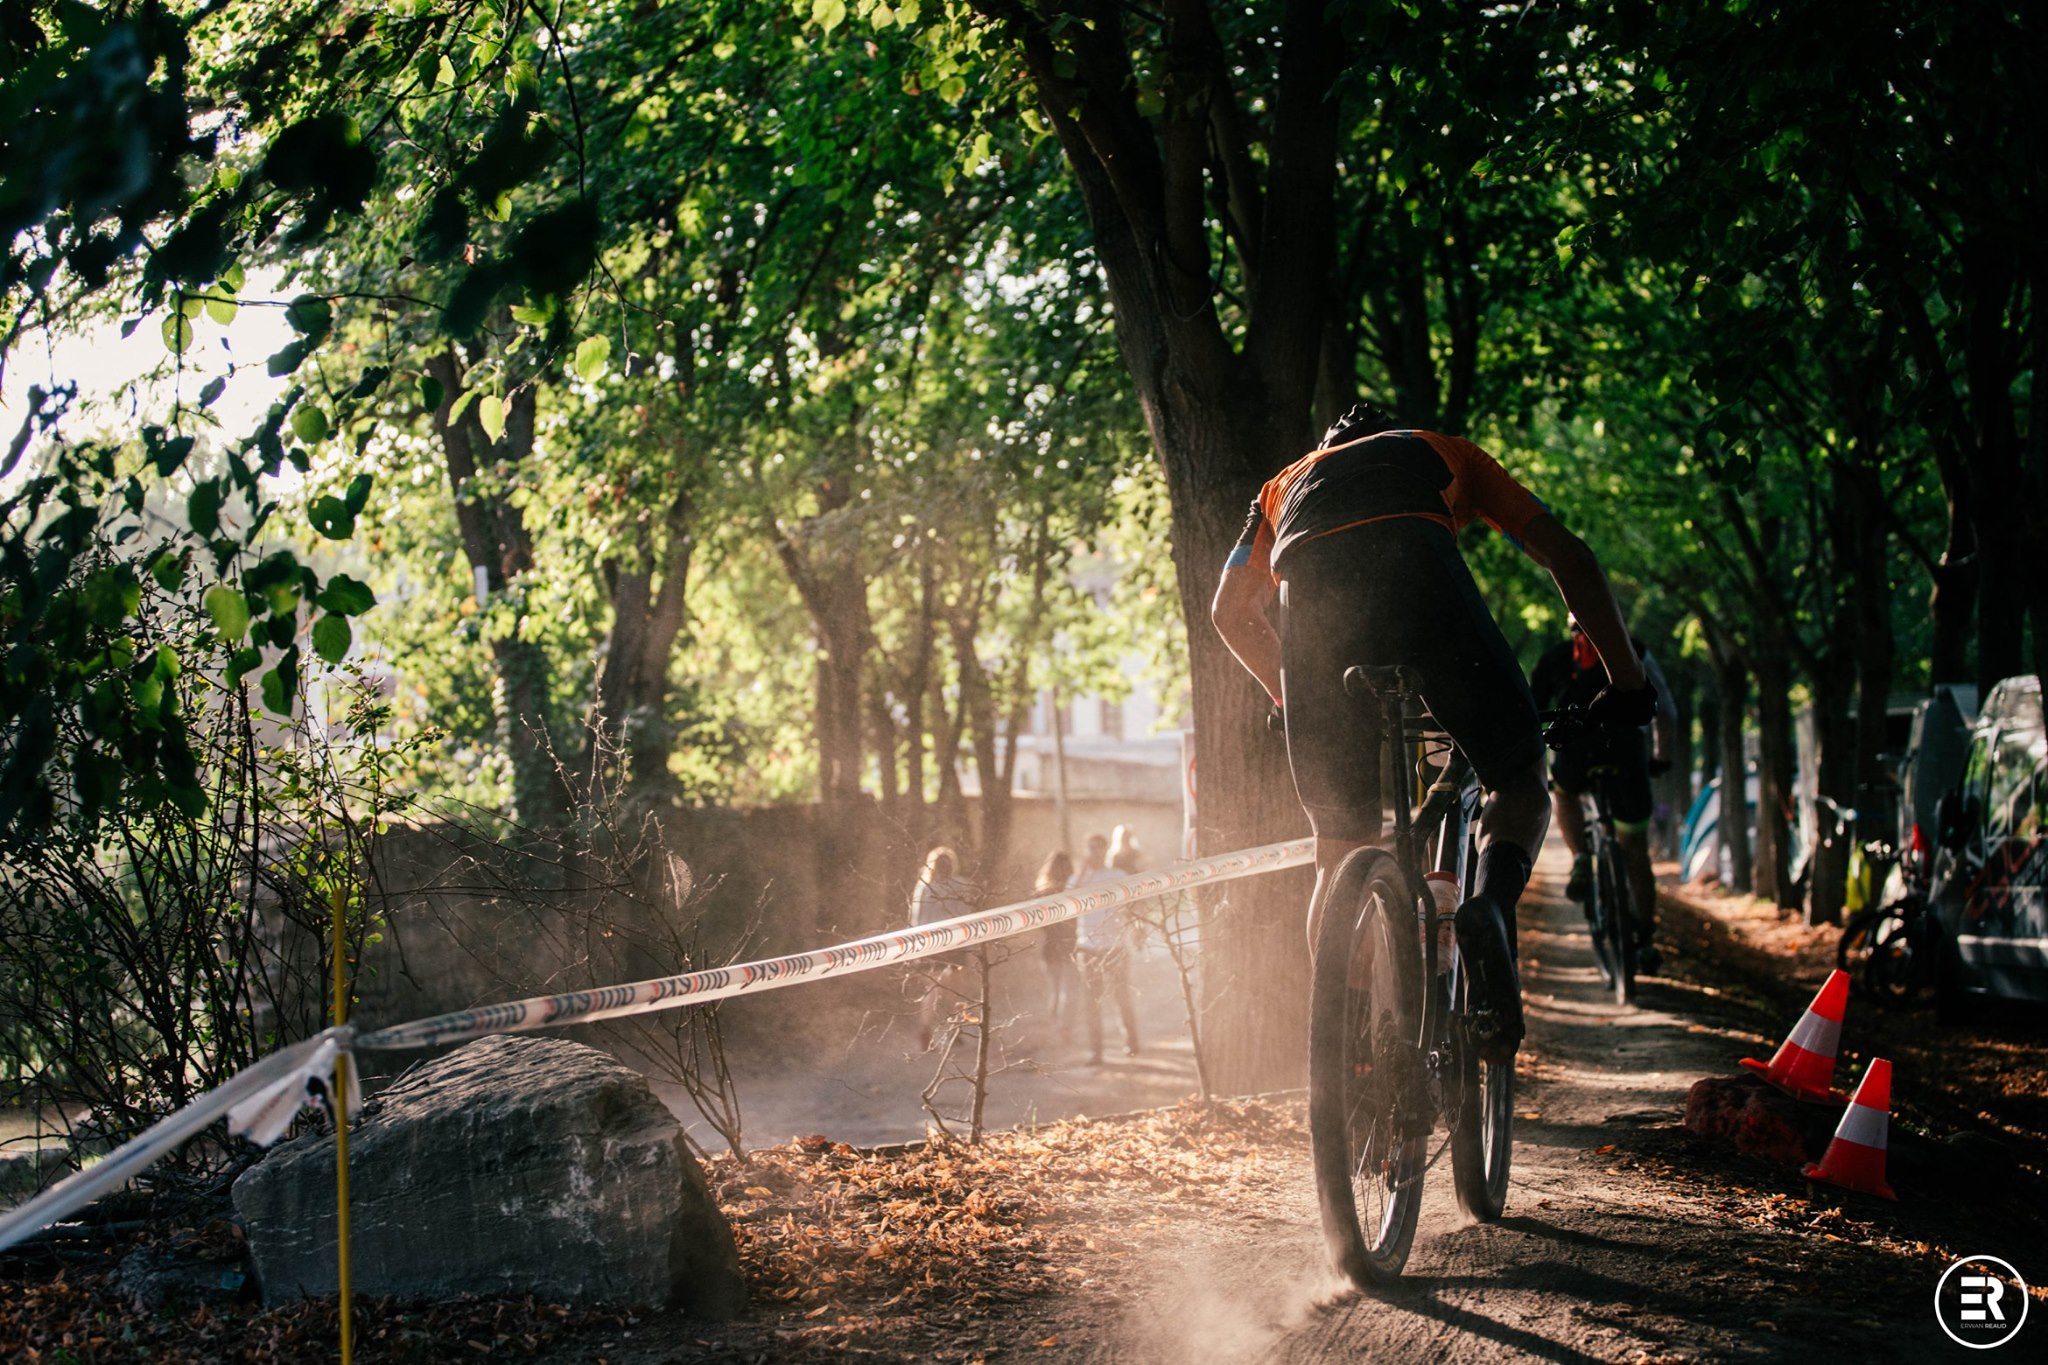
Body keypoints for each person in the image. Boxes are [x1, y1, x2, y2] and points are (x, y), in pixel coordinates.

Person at [1209, 401, 1657, 1060]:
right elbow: (1569, 555)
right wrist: (1628, 684)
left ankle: (1353, 1054)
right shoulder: (1443, 449)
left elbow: (1228, 610)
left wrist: (1290, 693)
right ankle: (1490, 911)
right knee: (1516, 778)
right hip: (1420, 575)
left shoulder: (1283, 483)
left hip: (1315, 613)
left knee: (1335, 848)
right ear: (1391, 431)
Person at [1530, 619, 1678, 972]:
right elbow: (1667, 711)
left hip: (1575, 753)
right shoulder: (1633, 652)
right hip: (1625, 753)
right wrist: (1662, 757)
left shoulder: (1555, 658)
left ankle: (1581, 856)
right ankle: (1645, 939)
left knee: (1563, 793)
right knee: (1634, 848)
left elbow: (1531, 712)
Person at [1070, 833, 1140, 1063]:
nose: (1096, 852)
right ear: (1086, 850)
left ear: (1106, 849)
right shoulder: (1078, 878)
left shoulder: (1117, 875)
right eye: (1092, 848)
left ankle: (1132, 1042)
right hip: (1088, 948)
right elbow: (1067, 900)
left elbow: (1132, 905)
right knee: (1092, 1002)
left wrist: (1136, 930)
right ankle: (1096, 1051)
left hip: (1115, 946)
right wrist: (1082, 871)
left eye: (1100, 847)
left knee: (1122, 997)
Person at [909, 846, 977, 1051]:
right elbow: (967, 918)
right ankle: (955, 1029)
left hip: (929, 946)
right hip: (955, 944)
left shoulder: (924, 888)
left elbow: (916, 920)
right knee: (955, 990)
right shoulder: (961, 886)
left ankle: (925, 1030)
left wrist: (914, 950)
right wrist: (970, 948)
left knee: (931, 990)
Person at [1034, 849, 1081, 1033]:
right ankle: (1064, 1026)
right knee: (1068, 990)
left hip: (1050, 947)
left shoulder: (1042, 892)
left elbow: (1039, 924)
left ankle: (1057, 1025)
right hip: (1070, 946)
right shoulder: (1075, 892)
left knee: (1056, 990)